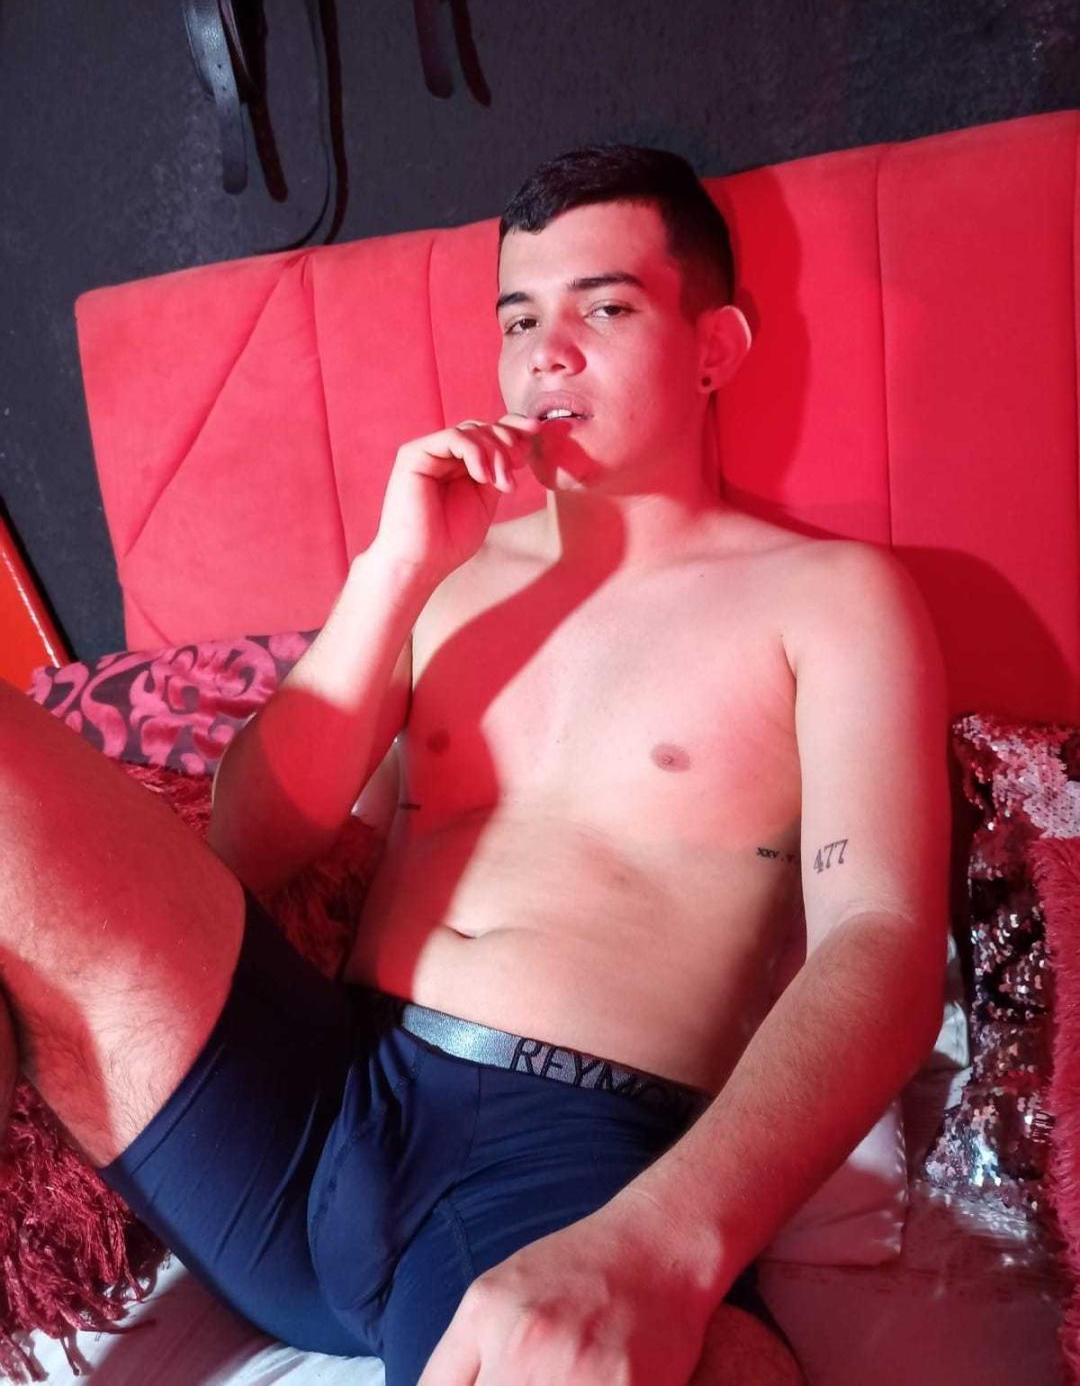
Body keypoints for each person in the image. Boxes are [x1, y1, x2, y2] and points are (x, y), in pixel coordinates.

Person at [0, 144, 952, 1385]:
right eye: (519, 319)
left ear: (715, 348)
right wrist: (394, 572)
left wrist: (663, 1244)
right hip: (306, 1095)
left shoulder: (830, 599)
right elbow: (252, 843)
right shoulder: (445, 580)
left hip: (563, 1164)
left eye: (604, 309)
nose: (547, 353)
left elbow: (882, 938)